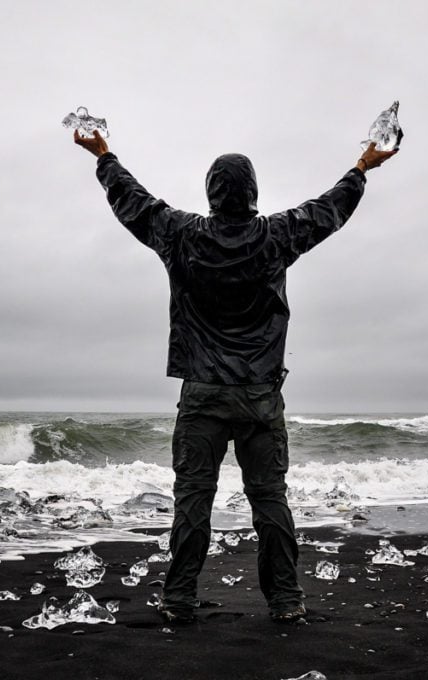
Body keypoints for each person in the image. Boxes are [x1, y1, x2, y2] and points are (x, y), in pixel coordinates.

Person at [74, 126, 397, 624]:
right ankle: (286, 602)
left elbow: (132, 201)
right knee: (269, 500)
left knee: (193, 501)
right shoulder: (276, 237)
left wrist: (103, 155)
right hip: (260, 395)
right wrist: (362, 167)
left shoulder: (181, 235)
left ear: (211, 192)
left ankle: (179, 598)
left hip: (202, 394)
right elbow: (329, 210)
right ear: (253, 193)